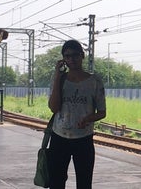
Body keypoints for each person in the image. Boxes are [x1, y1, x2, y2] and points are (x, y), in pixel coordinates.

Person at [48, 40, 106, 189]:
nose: (71, 59)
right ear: (63, 59)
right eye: (67, 56)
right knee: (56, 182)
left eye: (75, 55)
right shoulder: (59, 80)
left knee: (84, 183)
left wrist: (88, 118)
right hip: (59, 137)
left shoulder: (94, 81)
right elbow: (54, 108)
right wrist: (57, 76)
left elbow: (102, 112)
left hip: (84, 139)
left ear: (82, 56)